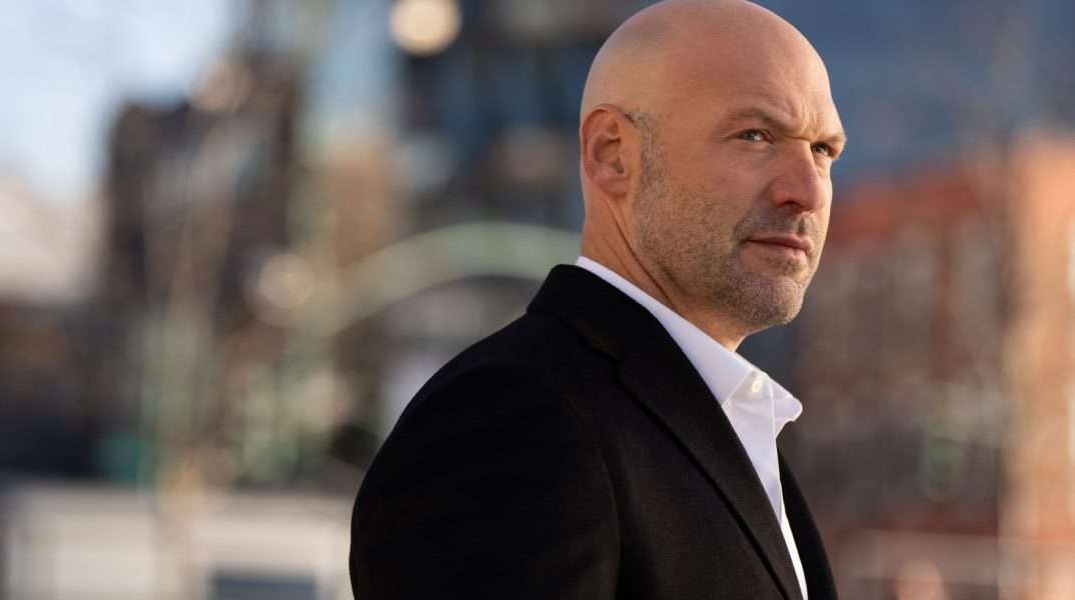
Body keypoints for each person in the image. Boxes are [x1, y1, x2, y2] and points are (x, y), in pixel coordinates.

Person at [349, 0, 846, 598]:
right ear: (613, 153)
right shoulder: (513, 421)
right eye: (756, 136)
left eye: (823, 150)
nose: (808, 190)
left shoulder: (733, 428)